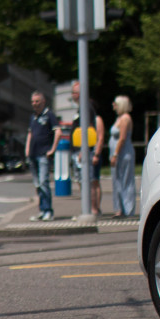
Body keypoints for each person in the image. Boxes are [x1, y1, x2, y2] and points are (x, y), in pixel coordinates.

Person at [24, 90, 62, 221]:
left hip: (43, 155)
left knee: (43, 182)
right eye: (33, 102)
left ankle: (48, 211)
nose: (34, 104)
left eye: (37, 101)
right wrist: (27, 149)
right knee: (37, 184)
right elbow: (30, 134)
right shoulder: (33, 117)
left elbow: (58, 132)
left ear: (43, 102)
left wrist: (52, 149)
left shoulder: (49, 115)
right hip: (33, 155)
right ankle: (42, 209)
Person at [70, 80, 105, 215]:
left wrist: (83, 150)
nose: (72, 95)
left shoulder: (87, 108)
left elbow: (89, 130)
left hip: (84, 151)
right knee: (83, 181)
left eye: (73, 92)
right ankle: (89, 208)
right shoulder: (82, 108)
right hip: (80, 150)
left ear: (79, 94)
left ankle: (93, 210)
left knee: (89, 181)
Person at [109, 95, 137, 217]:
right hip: (117, 153)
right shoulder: (119, 118)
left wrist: (115, 154)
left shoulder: (125, 119)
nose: (113, 105)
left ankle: (128, 209)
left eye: (115, 103)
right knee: (117, 181)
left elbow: (122, 138)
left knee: (126, 180)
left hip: (123, 153)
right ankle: (119, 208)